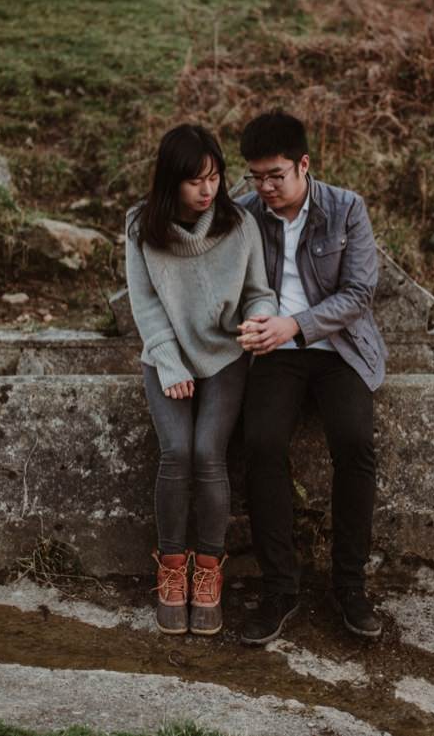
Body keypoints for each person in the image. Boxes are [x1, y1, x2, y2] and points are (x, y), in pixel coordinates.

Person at [234, 110, 387, 644]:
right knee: (260, 442)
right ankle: (279, 587)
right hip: (275, 352)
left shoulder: (346, 209)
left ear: (304, 165)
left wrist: (294, 325)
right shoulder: (245, 211)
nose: (266, 187)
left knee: (354, 441)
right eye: (256, 176)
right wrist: (252, 324)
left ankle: (350, 585)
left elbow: (360, 294)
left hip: (339, 348)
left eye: (276, 175)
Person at [125, 124, 278, 636]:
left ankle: (208, 572)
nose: (207, 190)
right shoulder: (140, 228)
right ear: (172, 182)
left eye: (213, 177)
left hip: (227, 355)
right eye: (195, 181)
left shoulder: (240, 225)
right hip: (166, 356)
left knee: (209, 451)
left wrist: (260, 321)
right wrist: (168, 362)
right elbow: (144, 305)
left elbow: (259, 291)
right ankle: (171, 570)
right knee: (177, 451)